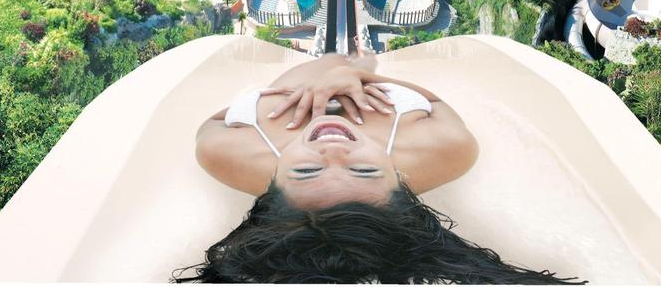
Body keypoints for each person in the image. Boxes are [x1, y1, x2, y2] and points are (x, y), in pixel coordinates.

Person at [175, 55, 583, 284]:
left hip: (295, 68)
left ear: (272, 185)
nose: (333, 149)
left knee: (329, 58)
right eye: (364, 171)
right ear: (398, 181)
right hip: (364, 67)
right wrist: (357, 74)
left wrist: (272, 97)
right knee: (355, 55)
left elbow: (211, 123)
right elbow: (436, 103)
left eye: (307, 171)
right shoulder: (446, 150)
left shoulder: (230, 155)